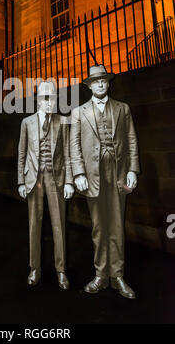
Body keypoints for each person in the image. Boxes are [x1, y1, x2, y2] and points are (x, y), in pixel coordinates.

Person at [70, 65, 140, 299]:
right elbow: (74, 145)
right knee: (99, 227)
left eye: (104, 80)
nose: (100, 84)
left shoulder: (123, 109)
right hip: (93, 175)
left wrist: (133, 169)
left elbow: (131, 139)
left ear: (108, 83)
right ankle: (101, 274)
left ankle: (117, 275)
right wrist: (78, 174)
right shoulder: (79, 112)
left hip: (118, 173)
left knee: (117, 225)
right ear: (89, 85)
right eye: (96, 81)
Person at [17, 80, 74, 290]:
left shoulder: (63, 121)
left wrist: (69, 181)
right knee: (34, 225)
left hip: (55, 179)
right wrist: (20, 181)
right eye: (45, 97)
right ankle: (35, 268)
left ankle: (61, 271)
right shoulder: (27, 123)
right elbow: (21, 154)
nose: (50, 101)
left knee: (59, 226)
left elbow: (68, 153)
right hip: (34, 179)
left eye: (53, 97)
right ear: (38, 101)